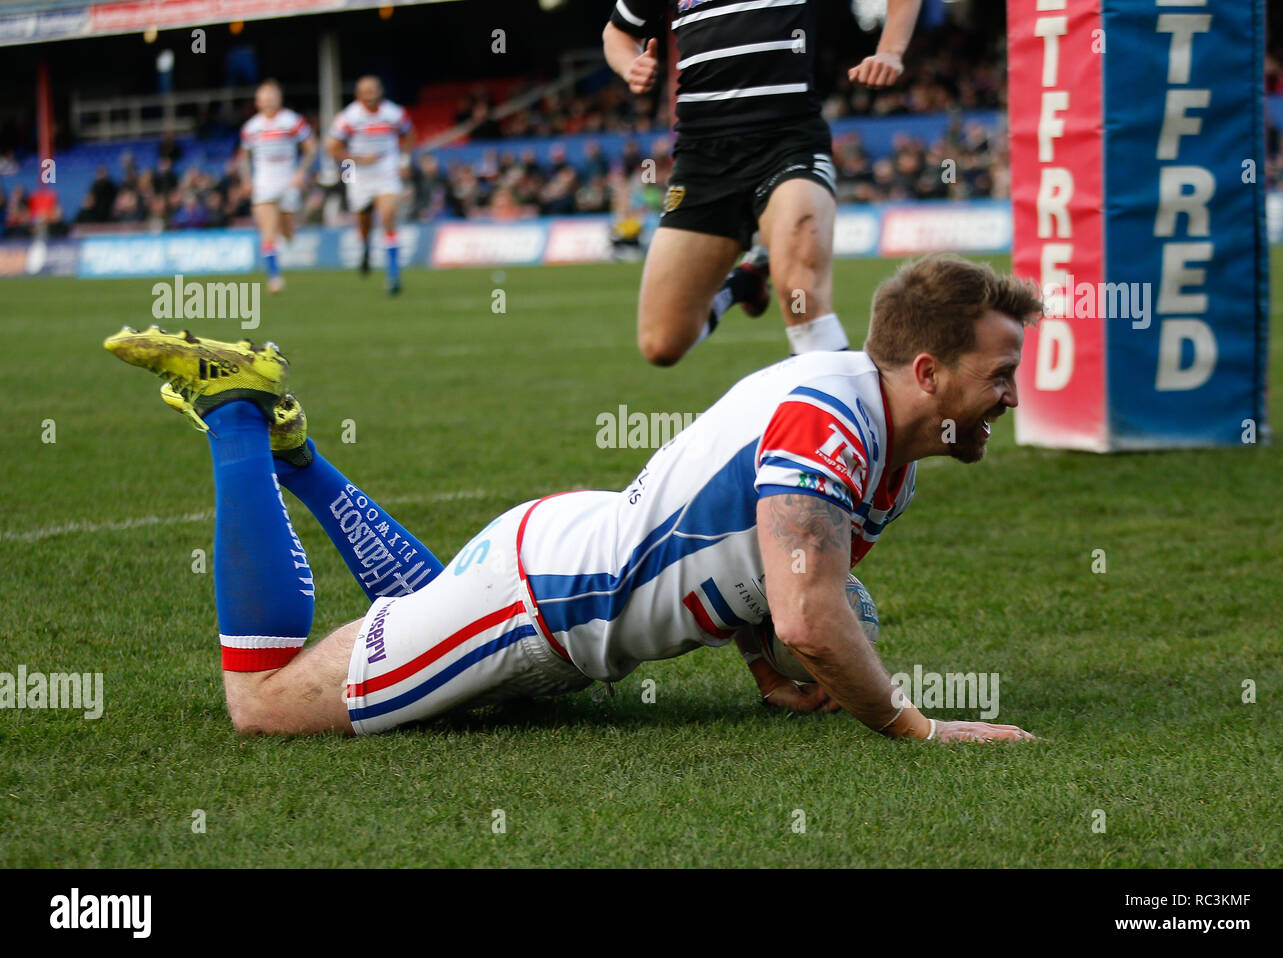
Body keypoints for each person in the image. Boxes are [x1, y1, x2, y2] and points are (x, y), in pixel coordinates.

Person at [102, 254, 1039, 744]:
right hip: (538, 605)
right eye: (1000, 374)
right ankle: (236, 411)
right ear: (927, 370)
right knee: (262, 705)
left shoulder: (884, 453)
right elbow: (809, 611)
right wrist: (915, 727)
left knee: (425, 616)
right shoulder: (833, 423)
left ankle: (298, 454)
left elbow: (770, 568)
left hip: (551, 561)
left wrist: (763, 667)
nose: (1011, 395)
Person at [603, 0, 922, 365]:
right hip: (701, 160)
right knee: (662, 344)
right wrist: (631, 65)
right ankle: (746, 281)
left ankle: (832, 414)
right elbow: (617, 31)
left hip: (788, 144)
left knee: (802, 297)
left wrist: (891, 51)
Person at [327, 76, 414, 295]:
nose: (370, 94)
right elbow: (333, 147)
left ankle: (393, 276)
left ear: (380, 91)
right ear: (358, 94)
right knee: (364, 220)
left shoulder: (393, 113)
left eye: (373, 89)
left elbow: (410, 134)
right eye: (365, 90)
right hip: (360, 175)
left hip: (386, 171)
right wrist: (356, 160)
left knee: (388, 217)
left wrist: (404, 160)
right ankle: (366, 248)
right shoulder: (349, 117)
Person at [238, 80, 317, 293]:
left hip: (288, 180)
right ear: (257, 102)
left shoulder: (292, 121)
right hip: (264, 181)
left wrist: (301, 171)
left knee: (287, 229)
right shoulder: (251, 127)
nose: (268, 103)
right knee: (268, 229)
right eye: (264, 99)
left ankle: (288, 235)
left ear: (279, 99)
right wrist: (247, 180)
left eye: (271, 98)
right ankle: (274, 277)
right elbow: (244, 156)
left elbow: (311, 148)